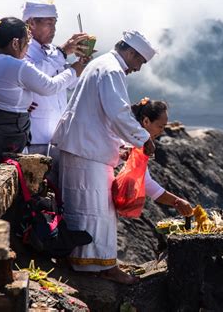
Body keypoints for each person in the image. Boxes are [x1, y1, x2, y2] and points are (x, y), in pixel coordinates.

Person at [52, 30, 192, 284]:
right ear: (130, 53)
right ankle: (102, 267)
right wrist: (142, 139)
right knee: (95, 211)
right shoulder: (112, 70)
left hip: (84, 146)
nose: (138, 68)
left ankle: (82, 261)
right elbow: (117, 113)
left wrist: (122, 144)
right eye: (140, 61)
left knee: (82, 208)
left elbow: (105, 116)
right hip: (88, 150)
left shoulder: (101, 64)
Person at [0, 17, 85, 171]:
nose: (27, 48)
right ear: (15, 43)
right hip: (10, 137)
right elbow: (50, 87)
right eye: (26, 42)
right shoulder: (18, 66)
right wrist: (74, 70)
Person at [22, 1, 90, 183]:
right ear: (31, 24)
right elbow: (39, 77)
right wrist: (62, 53)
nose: (53, 29)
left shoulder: (53, 51)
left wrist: (80, 64)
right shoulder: (24, 51)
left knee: (57, 192)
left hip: (58, 135)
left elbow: (68, 84)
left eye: (55, 23)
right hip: (36, 135)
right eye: (49, 23)